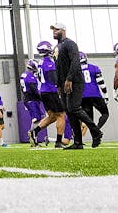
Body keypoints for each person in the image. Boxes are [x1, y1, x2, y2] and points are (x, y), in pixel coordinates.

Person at [51, 22, 101, 150]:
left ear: (63, 30)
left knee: (74, 107)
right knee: (69, 111)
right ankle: (78, 142)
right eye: (53, 30)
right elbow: (58, 67)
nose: (54, 32)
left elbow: (75, 61)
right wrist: (58, 84)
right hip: (63, 83)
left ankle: (95, 130)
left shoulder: (70, 44)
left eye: (56, 29)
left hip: (74, 81)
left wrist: (69, 78)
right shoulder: (57, 47)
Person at [29, 40, 64, 147]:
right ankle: (58, 142)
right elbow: (53, 78)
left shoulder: (40, 62)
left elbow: (40, 77)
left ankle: (34, 132)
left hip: (43, 91)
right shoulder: (48, 61)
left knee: (52, 116)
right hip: (50, 91)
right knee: (61, 115)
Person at [80, 53, 110, 141]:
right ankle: (97, 129)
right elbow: (101, 83)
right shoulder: (94, 67)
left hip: (83, 97)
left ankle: (95, 139)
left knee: (90, 120)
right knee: (105, 114)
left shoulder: (76, 70)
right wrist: (106, 96)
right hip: (95, 95)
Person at [20, 60, 46, 145]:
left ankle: (34, 138)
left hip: (27, 98)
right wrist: (41, 98)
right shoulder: (30, 76)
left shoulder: (23, 75)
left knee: (38, 117)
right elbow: (34, 90)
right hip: (32, 99)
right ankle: (33, 135)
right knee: (36, 118)